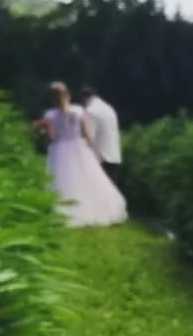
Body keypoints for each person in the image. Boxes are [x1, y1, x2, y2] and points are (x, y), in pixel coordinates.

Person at [34, 81, 126, 227]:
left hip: (60, 149)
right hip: (79, 147)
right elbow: (87, 134)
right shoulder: (78, 110)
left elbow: (52, 137)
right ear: (68, 95)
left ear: (52, 99)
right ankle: (95, 209)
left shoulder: (50, 115)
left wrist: (45, 133)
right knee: (88, 179)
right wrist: (88, 148)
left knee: (63, 181)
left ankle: (65, 210)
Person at [79, 84, 122, 179]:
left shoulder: (91, 111)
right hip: (114, 156)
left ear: (84, 99)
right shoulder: (109, 108)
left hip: (101, 158)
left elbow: (89, 137)